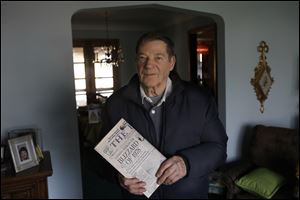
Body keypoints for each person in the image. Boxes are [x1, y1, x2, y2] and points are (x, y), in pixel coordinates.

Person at [98, 32, 228, 199]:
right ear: (136, 62)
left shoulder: (199, 99)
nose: (149, 65)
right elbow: (101, 158)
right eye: (143, 58)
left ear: (171, 62)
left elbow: (218, 148)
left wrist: (186, 163)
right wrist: (118, 177)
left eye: (158, 58)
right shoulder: (115, 104)